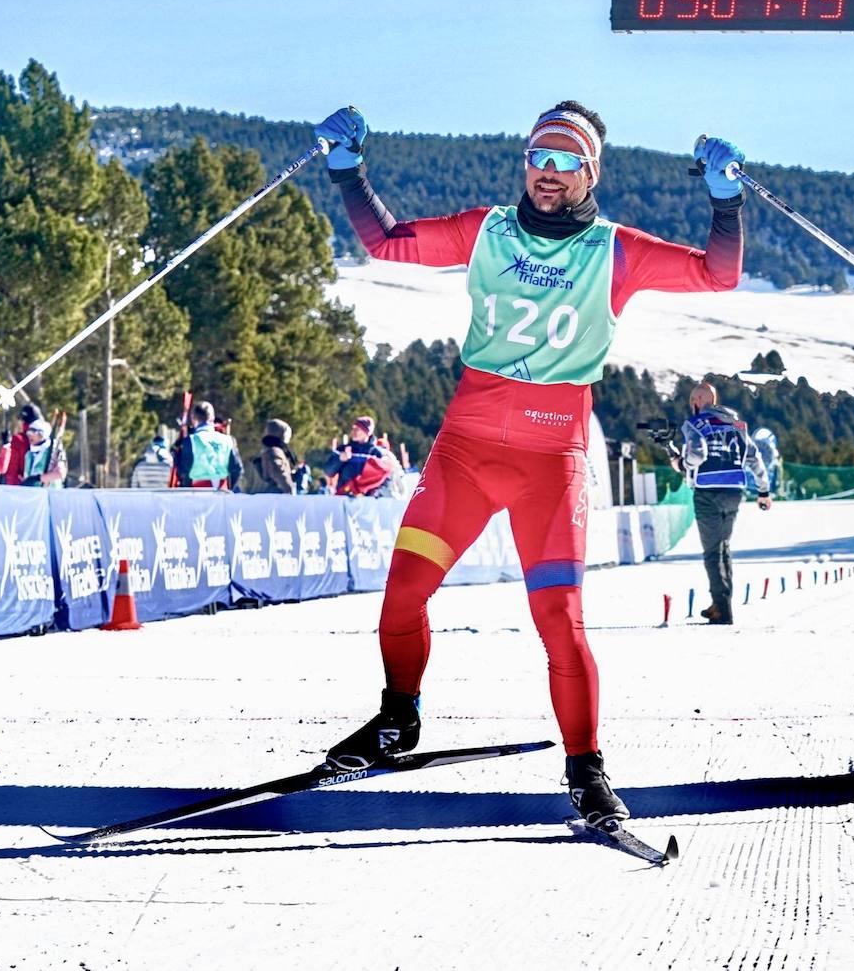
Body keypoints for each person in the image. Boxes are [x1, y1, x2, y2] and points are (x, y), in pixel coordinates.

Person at [315, 101, 747, 825]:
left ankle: (587, 768)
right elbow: (387, 244)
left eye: (565, 161)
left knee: (559, 619)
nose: (548, 173)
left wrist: (726, 199)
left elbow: (716, 275)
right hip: (465, 453)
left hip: (552, 463)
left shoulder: (616, 250)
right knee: (402, 594)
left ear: (591, 171)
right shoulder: (486, 230)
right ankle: (398, 719)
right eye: (537, 158)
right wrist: (347, 171)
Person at [680, 382, 772, 626]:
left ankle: (722, 609)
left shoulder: (694, 424)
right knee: (724, 547)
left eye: (692, 401)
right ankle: (722, 604)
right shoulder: (738, 425)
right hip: (734, 490)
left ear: (698, 400)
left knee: (712, 551)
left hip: (707, 491)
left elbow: (697, 453)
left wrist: (684, 464)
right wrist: (764, 490)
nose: (692, 406)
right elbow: (754, 457)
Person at [171, 400, 242, 491]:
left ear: (193, 419)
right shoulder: (228, 440)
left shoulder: (190, 441)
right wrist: (230, 487)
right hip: (222, 492)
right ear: (212, 418)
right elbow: (237, 469)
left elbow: (183, 470)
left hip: (196, 491)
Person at [325, 415, 398, 497]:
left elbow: (385, 477)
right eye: (353, 428)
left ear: (367, 432)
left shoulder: (376, 453)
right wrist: (340, 459)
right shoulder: (343, 449)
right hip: (344, 495)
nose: (354, 432)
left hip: (368, 499)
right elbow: (328, 472)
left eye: (358, 429)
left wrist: (377, 491)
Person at [254, 418, 304, 494]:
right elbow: (278, 472)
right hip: (276, 498)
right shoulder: (274, 452)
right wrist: (289, 489)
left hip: (271, 496)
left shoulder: (268, 450)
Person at [0, 402, 42, 486]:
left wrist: (6, 445)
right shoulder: (45, 440)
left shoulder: (18, 440)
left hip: (18, 487)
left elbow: (11, 470)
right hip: (40, 487)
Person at [20, 416, 68, 488]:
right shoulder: (29, 454)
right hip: (33, 495)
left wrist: (38, 478)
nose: (30, 436)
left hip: (50, 494)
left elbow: (61, 473)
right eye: (28, 434)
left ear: (42, 434)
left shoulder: (54, 449)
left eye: (33, 433)